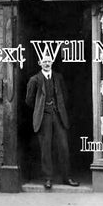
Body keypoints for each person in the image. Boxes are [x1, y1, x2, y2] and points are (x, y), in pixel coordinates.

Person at [25, 55, 79, 189]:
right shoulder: (35, 80)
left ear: (52, 62)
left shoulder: (58, 77)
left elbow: (64, 96)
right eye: (44, 61)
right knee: (46, 147)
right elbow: (29, 100)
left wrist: (58, 108)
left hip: (58, 115)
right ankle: (48, 178)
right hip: (44, 117)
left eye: (49, 61)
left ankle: (67, 177)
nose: (47, 63)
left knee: (63, 146)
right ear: (39, 63)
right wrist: (41, 109)